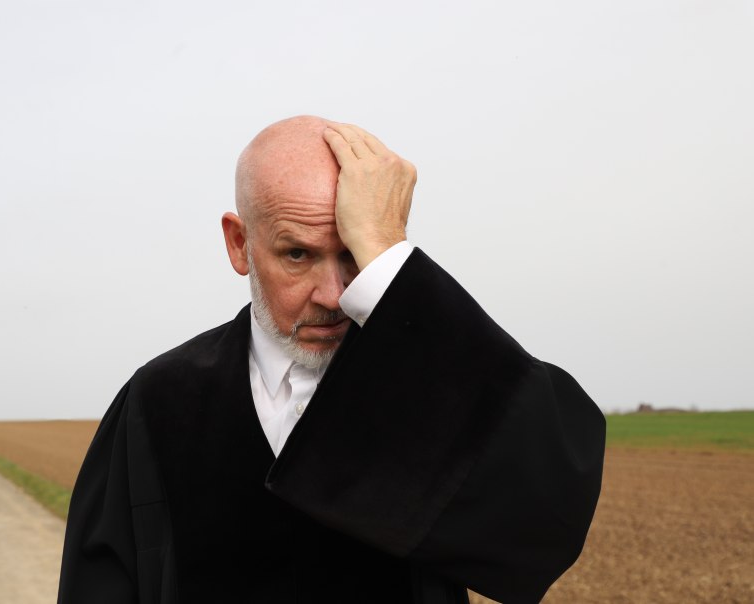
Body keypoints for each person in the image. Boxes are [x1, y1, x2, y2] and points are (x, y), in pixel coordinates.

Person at [57, 116, 605, 604]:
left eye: (353, 255)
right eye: (298, 254)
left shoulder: (425, 385)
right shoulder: (158, 401)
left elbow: (550, 511)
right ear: (238, 243)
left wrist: (390, 256)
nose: (333, 294)